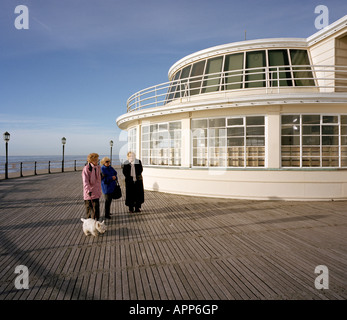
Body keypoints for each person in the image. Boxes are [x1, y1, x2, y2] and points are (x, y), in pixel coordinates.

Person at [82, 153, 102, 220]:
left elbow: (98, 180)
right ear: (91, 160)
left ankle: (96, 224)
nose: (97, 161)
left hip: (96, 192)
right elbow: (85, 181)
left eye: (97, 159)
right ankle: (89, 225)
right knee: (89, 210)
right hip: (89, 194)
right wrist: (88, 190)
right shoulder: (87, 168)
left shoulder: (98, 168)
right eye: (95, 160)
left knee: (96, 210)